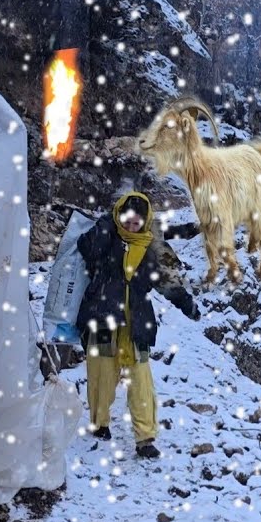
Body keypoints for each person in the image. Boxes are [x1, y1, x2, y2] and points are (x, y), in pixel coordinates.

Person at [76, 191, 199, 458]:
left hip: (136, 322)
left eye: (137, 223)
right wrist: (108, 222)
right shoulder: (106, 240)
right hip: (103, 317)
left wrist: (184, 301)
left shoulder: (150, 247)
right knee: (101, 376)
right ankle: (100, 423)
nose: (132, 226)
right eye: (127, 221)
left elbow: (165, 280)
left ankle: (145, 438)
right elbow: (86, 247)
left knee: (141, 380)